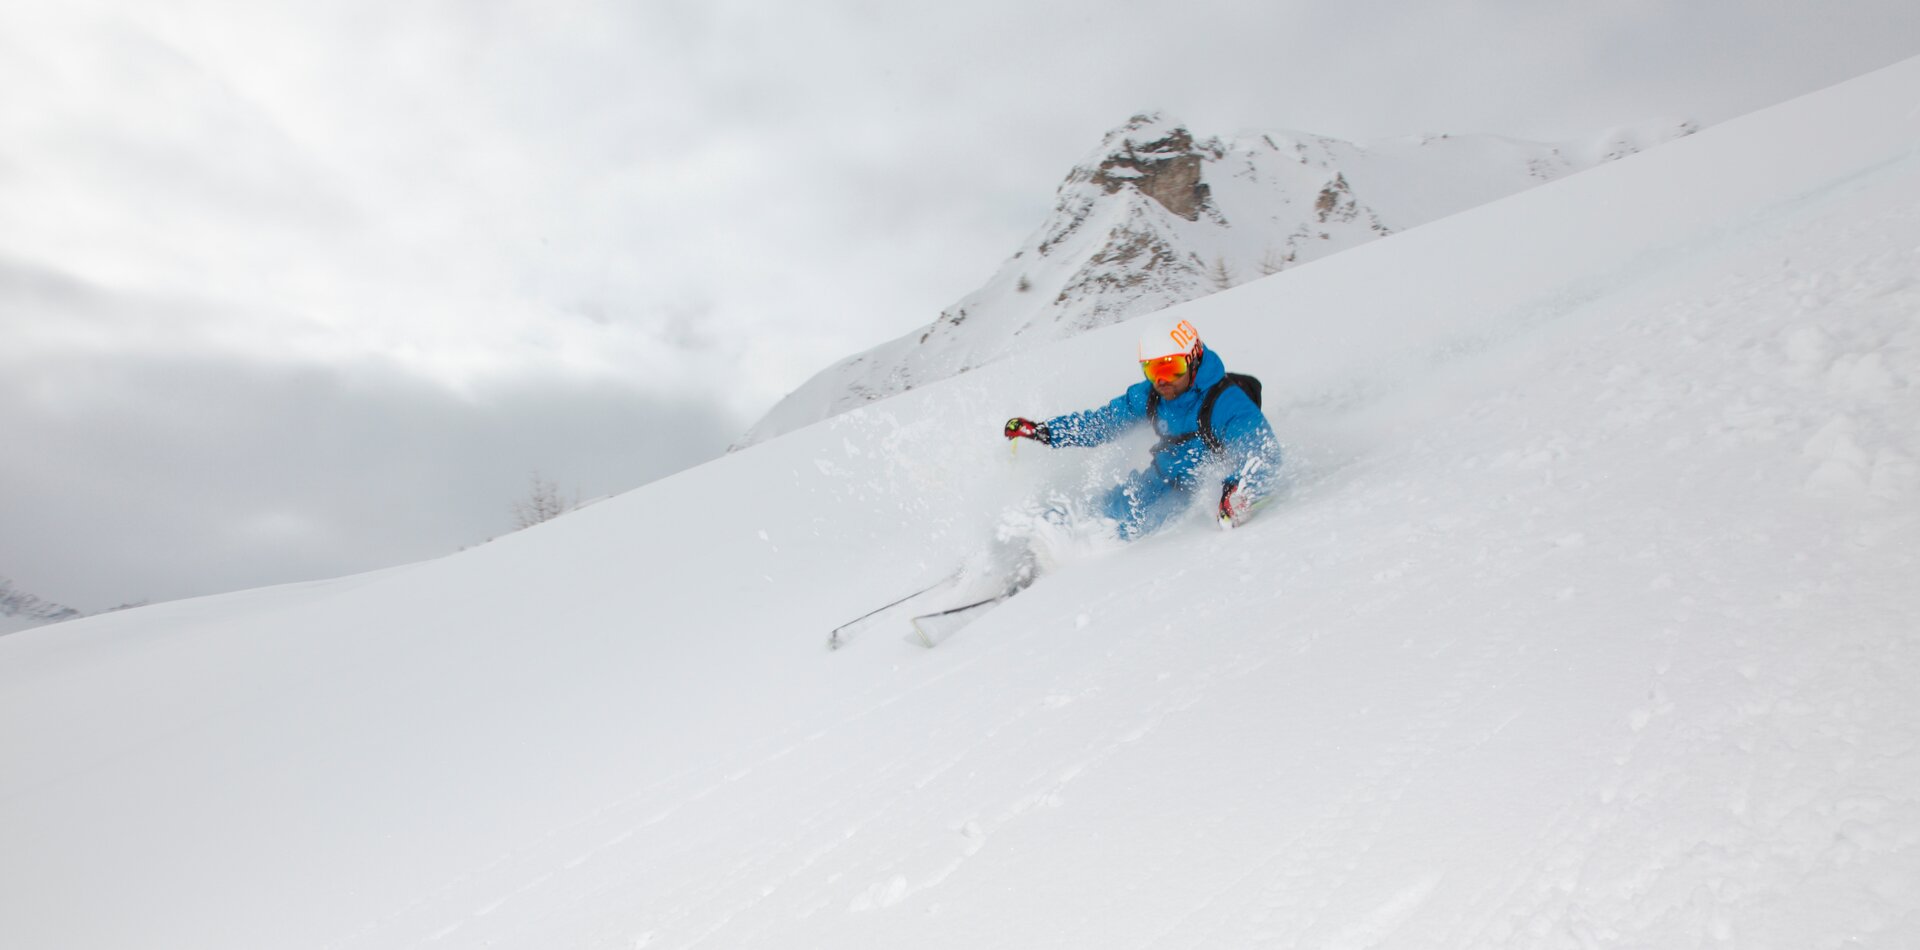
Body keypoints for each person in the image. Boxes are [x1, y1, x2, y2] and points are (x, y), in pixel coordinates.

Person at [1004, 316, 1283, 540]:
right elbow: (1102, 423)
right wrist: (1046, 431)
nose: (1161, 380)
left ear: (1193, 358)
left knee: (1123, 535)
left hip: (1188, 495)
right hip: (1156, 479)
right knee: (1093, 514)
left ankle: (1069, 571)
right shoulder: (1150, 395)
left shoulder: (1227, 403)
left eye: (1171, 368)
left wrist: (1237, 490)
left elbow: (1263, 453)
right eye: (1152, 370)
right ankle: (1026, 546)